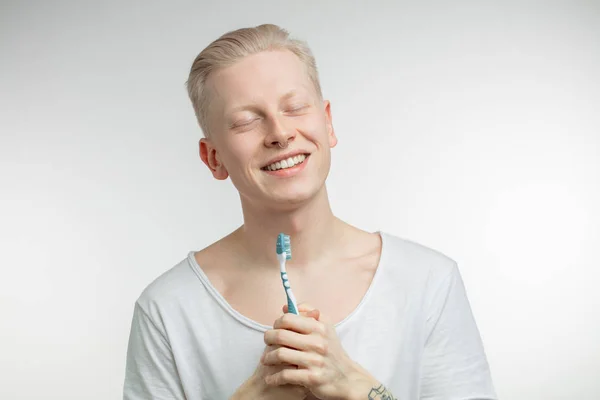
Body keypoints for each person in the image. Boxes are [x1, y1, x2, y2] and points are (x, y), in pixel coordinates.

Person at [123, 24, 497, 400]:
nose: (280, 133)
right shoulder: (168, 310)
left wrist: (359, 389)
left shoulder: (427, 281)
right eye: (246, 121)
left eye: (295, 108)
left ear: (328, 122)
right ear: (213, 158)